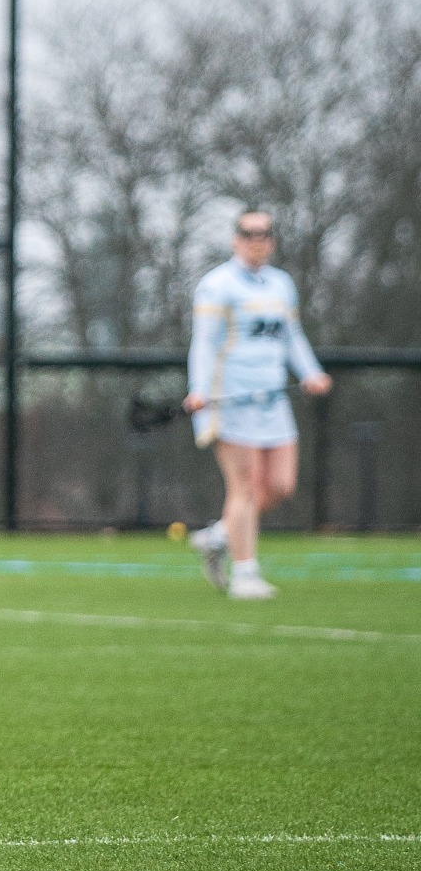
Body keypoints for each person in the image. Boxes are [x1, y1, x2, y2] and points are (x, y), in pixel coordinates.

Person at [184, 209, 332, 600]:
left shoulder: (281, 284)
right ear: (235, 239)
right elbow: (203, 343)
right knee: (245, 486)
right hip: (230, 400)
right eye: (249, 233)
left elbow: (292, 336)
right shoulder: (217, 285)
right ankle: (245, 575)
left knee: (281, 485)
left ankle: (218, 535)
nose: (257, 240)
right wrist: (198, 389)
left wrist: (310, 373)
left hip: (273, 399)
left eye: (265, 233)